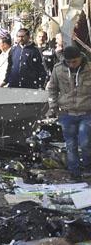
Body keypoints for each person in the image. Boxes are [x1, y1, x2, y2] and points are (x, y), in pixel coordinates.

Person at [46, 46, 91, 179]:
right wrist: (52, 107)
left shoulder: (89, 69)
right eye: (69, 62)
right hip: (66, 112)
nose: (72, 65)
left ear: (80, 58)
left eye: (75, 62)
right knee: (70, 144)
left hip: (86, 112)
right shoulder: (58, 69)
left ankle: (88, 167)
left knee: (85, 141)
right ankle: (74, 172)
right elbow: (52, 88)